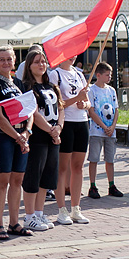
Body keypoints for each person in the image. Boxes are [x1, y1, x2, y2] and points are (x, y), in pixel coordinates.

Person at [0, 46, 31, 239]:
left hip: (22, 136)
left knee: (17, 181)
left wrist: (27, 132)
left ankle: (14, 222)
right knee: (3, 181)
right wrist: (16, 135)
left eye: (9, 59)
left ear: (14, 61)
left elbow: (30, 109)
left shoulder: (20, 82)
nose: (5, 63)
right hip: (4, 137)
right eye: (1, 59)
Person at [21, 48, 63, 230]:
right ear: (29, 65)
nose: (41, 65)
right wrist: (50, 130)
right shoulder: (27, 87)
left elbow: (61, 108)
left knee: (48, 176)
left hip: (53, 136)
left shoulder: (52, 86)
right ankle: (29, 215)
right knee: (33, 176)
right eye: (37, 62)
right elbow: (34, 113)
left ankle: (39, 213)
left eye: (44, 61)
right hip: (38, 137)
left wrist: (58, 129)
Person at [54, 57, 90, 225]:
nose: (73, 56)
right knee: (62, 168)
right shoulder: (55, 74)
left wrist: (86, 104)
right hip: (66, 123)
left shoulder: (79, 74)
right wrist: (77, 99)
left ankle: (76, 208)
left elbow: (87, 101)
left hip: (81, 122)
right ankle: (62, 209)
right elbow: (57, 103)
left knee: (78, 167)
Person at [87, 62, 123, 199]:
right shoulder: (92, 90)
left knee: (110, 159)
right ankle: (92, 185)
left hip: (110, 131)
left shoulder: (111, 90)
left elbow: (116, 109)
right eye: (107, 75)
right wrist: (103, 126)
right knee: (94, 159)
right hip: (97, 131)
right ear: (98, 75)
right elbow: (91, 111)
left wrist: (113, 126)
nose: (109, 77)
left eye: (110, 75)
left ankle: (111, 184)